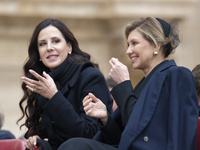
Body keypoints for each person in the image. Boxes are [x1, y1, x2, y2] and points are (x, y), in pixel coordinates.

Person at [58, 17, 199, 150]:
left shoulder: (177, 74)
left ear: (155, 45)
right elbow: (123, 139)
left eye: (134, 43)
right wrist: (105, 118)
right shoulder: (143, 83)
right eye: (128, 44)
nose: (128, 51)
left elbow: (170, 133)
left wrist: (124, 84)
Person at [17, 18, 113, 150]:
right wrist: (35, 138)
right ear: (38, 53)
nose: (49, 48)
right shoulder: (44, 83)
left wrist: (54, 96)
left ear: (69, 47)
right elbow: (50, 137)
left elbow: (88, 134)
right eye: (42, 44)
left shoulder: (90, 77)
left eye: (56, 41)